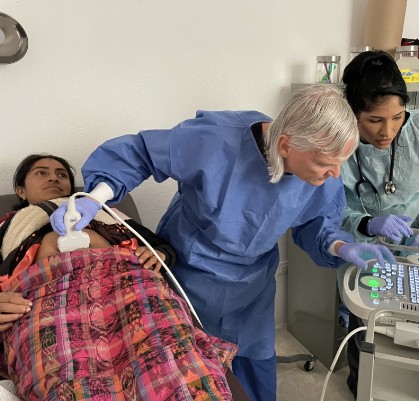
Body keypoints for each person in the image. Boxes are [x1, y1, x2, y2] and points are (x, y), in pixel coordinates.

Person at [49, 84, 396, 401]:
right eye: (324, 165)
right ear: (285, 145)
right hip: (190, 271)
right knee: (189, 368)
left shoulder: (321, 169)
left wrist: (341, 246)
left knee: (255, 365)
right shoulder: (214, 140)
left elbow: (317, 223)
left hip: (252, 286)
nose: (334, 175)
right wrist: (95, 197)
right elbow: (140, 153)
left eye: (340, 164)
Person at [0, 154, 240, 400]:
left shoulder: (105, 212)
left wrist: (158, 253)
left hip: (127, 283)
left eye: (62, 174)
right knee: (65, 374)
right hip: (45, 298)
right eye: (41, 172)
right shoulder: (6, 227)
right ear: (20, 190)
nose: (53, 178)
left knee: (170, 354)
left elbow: (160, 246)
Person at [339, 50, 419, 398]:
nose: (387, 130)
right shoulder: (339, 144)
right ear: (353, 113)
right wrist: (368, 223)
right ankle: (361, 386)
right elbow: (331, 209)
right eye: (375, 120)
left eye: (397, 116)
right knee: (369, 329)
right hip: (367, 246)